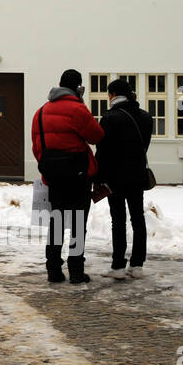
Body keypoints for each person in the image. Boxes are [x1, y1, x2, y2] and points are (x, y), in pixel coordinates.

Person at [30, 69, 104, 284]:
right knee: (77, 224)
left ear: (59, 84)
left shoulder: (41, 112)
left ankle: (53, 269)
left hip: (54, 176)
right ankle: (76, 271)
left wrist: (51, 167)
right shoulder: (77, 110)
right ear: (78, 88)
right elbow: (97, 135)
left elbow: (37, 147)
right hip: (79, 176)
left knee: (57, 222)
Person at [95, 78, 153, 280]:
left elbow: (103, 153)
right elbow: (143, 147)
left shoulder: (109, 118)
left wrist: (98, 178)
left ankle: (118, 265)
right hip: (137, 175)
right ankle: (137, 264)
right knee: (138, 218)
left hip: (115, 178)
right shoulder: (146, 118)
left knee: (118, 220)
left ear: (112, 95)